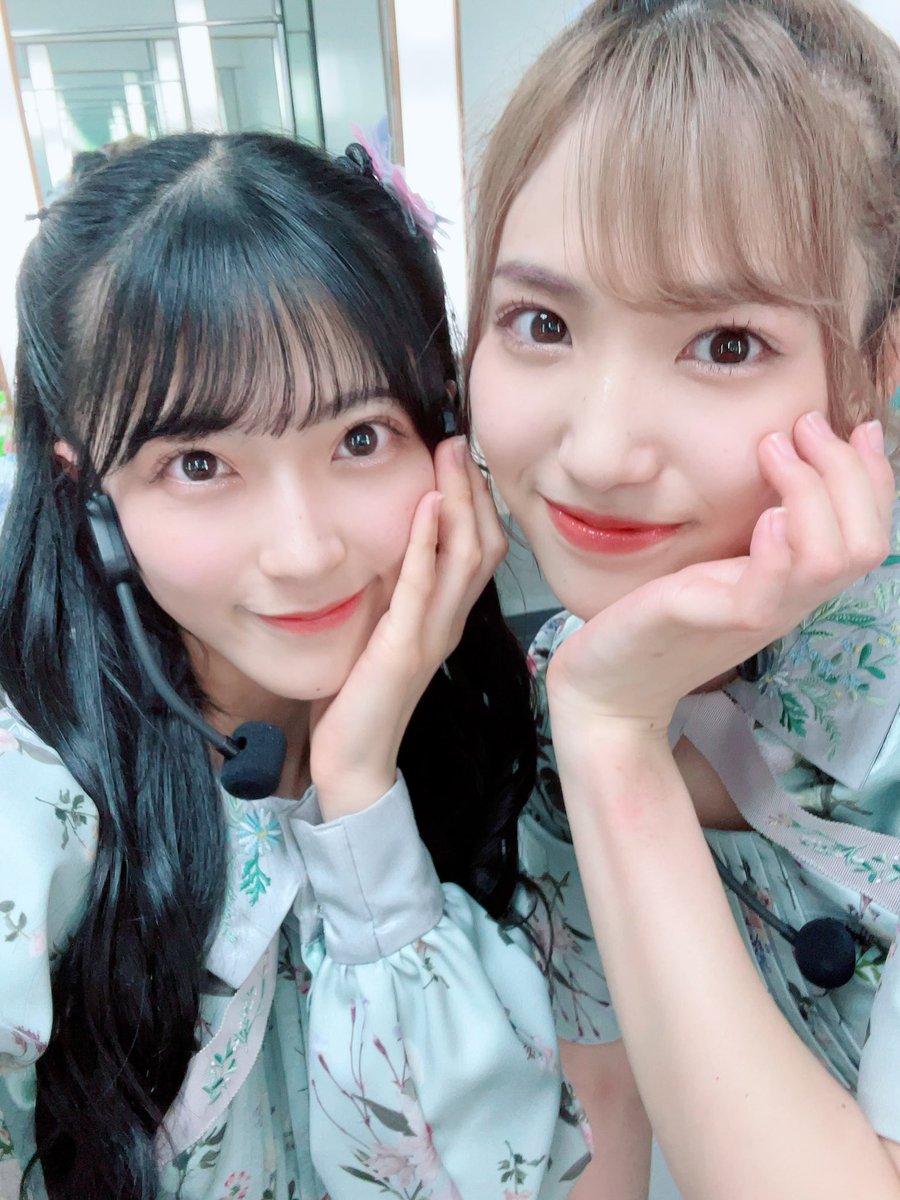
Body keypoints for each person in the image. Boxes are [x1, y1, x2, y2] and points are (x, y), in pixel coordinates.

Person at [0, 132, 590, 1200]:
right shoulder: (30, 809)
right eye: (199, 464)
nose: (305, 549)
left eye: (360, 438)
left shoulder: (502, 731)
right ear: (90, 495)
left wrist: (360, 788)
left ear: (445, 435)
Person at [466, 1, 900, 1197]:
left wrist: (611, 737)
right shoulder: (561, 668)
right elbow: (599, 1115)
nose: (601, 451)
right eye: (541, 322)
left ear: (877, 368)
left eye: (725, 344)